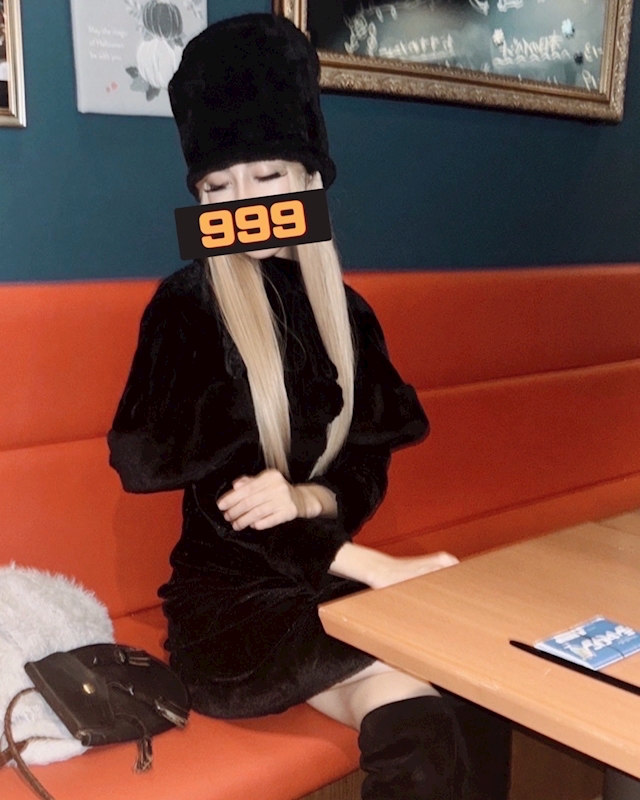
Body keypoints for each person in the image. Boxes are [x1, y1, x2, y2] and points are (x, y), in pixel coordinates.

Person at [108, 13, 511, 799]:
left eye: (265, 177)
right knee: (442, 676)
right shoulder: (187, 308)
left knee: (439, 715)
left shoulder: (347, 314)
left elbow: (363, 465)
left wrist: (309, 499)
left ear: (307, 180)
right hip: (233, 614)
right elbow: (227, 502)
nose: (241, 203)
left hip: (314, 586)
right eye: (217, 187)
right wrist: (377, 567)